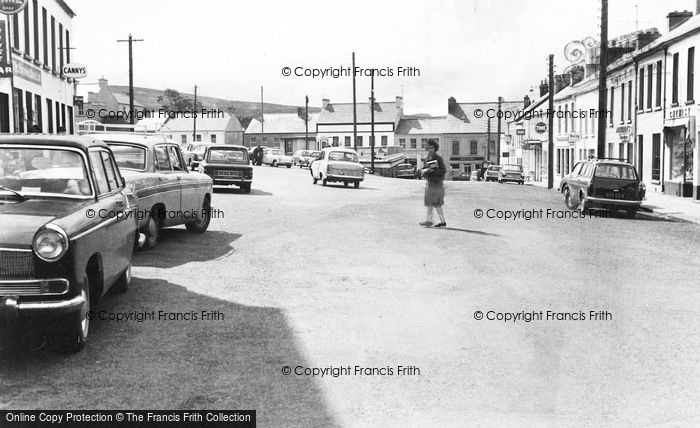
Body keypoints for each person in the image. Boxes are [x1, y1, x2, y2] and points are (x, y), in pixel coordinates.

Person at [419, 140, 447, 228]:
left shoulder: (438, 158)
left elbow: (443, 171)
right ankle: (430, 221)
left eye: (432, 148)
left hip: (437, 183)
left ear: (435, 148)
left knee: (436, 203)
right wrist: (424, 171)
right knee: (430, 203)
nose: (430, 150)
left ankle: (441, 222)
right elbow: (425, 168)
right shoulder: (427, 157)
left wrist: (434, 170)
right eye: (428, 148)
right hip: (430, 183)